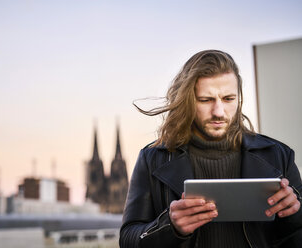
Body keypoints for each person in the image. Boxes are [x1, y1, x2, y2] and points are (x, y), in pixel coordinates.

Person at [119, 50, 302, 248]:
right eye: (205, 100)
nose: (218, 112)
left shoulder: (278, 155)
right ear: (187, 100)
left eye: (228, 99)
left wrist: (295, 213)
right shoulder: (153, 158)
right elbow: (128, 239)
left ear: (239, 98)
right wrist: (169, 226)